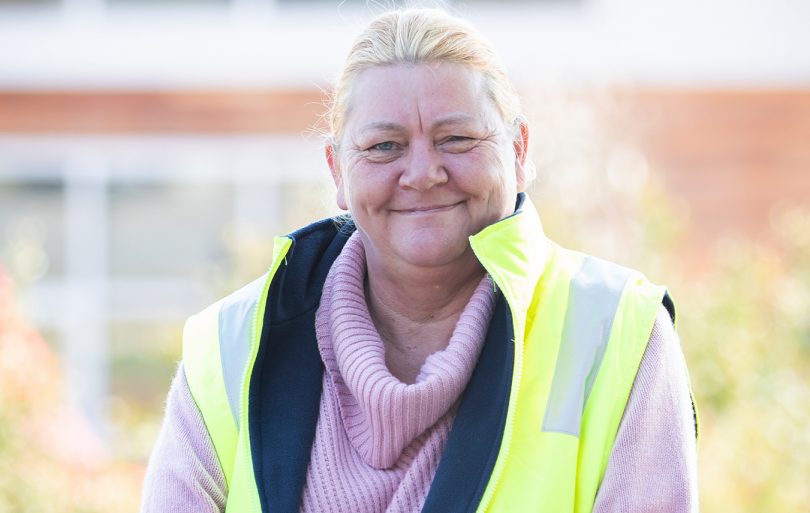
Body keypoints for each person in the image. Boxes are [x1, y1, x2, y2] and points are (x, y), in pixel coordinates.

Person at [141, 7, 698, 513]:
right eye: (385, 146)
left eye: (455, 138)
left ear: (519, 150)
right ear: (337, 171)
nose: (423, 173)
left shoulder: (618, 334)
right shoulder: (232, 347)